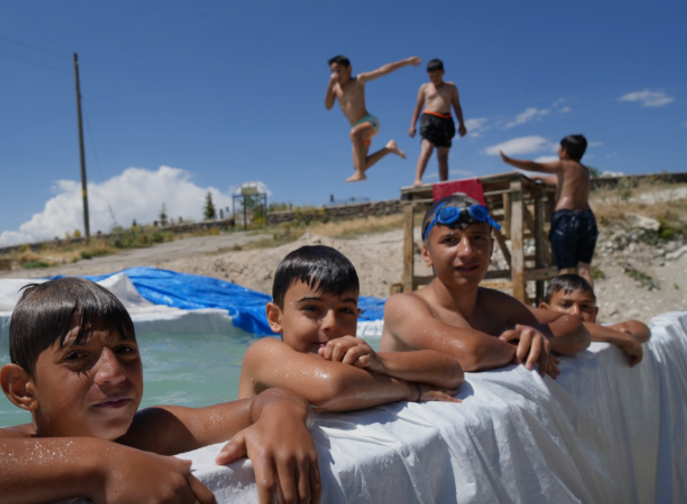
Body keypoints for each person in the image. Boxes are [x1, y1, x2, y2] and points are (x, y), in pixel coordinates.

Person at [0, 277, 320, 504]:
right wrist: (99, 463)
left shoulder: (150, 430)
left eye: (125, 350)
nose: (113, 373)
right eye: (78, 358)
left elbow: (267, 399)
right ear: (23, 390)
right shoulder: (0, 446)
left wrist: (282, 414)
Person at [380, 194, 591, 376]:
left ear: (490, 249)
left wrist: (539, 334)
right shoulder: (404, 306)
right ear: (427, 255)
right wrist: (521, 345)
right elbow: (470, 352)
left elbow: (576, 329)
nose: (467, 251)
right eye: (450, 240)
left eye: (477, 237)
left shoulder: (493, 305)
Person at [239, 245, 464, 412]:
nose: (331, 323)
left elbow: (452, 371)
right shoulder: (263, 355)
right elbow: (334, 386)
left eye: (345, 310)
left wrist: (382, 362)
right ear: (275, 317)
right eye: (312, 308)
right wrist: (411, 390)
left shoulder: (354, 361)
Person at [499, 134, 599, 287]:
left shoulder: (565, 165)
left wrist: (510, 161)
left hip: (567, 219)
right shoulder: (584, 170)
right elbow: (557, 181)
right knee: (584, 269)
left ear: (564, 152)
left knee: (566, 270)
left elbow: (536, 165)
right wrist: (539, 177)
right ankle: (589, 301)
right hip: (587, 219)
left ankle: (567, 302)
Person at [325, 54, 420, 183]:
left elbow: (382, 70)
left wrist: (407, 62)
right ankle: (389, 149)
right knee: (360, 165)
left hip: (369, 123)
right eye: (333, 72)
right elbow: (328, 106)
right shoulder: (335, 88)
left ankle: (360, 173)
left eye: (339, 70)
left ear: (349, 69)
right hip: (357, 130)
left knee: (355, 135)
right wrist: (331, 83)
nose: (336, 75)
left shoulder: (358, 80)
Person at [540, 273, 650, 367]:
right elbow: (570, 330)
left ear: (595, 313)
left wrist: (615, 331)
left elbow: (641, 329)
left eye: (585, 307)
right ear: (544, 310)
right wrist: (622, 338)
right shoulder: (540, 332)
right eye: (565, 305)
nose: (576, 312)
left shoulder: (602, 333)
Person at [409, 59, 466, 187]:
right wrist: (412, 125)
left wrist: (462, 124)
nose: (435, 79)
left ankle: (444, 184)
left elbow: (457, 106)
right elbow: (417, 107)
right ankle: (417, 179)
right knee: (427, 148)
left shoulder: (451, 87)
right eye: (431, 76)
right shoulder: (424, 87)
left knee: (443, 156)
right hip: (429, 119)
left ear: (443, 72)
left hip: (446, 121)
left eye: (437, 75)